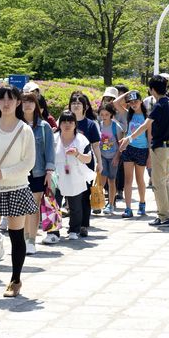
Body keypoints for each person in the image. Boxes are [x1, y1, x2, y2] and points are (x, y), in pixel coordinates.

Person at [0, 86, 36, 300]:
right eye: (2, 99)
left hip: (17, 188)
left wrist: (5, 173)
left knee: (16, 235)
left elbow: (29, 162)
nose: (6, 102)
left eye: (11, 99)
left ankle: (15, 279)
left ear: (18, 102)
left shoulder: (24, 129)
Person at [123, 75, 169, 227]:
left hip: (160, 148)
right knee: (165, 181)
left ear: (152, 90)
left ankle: (163, 216)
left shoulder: (159, 105)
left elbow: (145, 126)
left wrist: (129, 138)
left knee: (158, 182)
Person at [53, 110, 95, 240]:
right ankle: (53, 232)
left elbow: (88, 159)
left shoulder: (81, 139)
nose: (67, 124)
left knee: (76, 206)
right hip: (56, 174)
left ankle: (74, 230)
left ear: (75, 124)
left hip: (75, 174)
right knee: (54, 204)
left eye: (70, 121)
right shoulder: (53, 138)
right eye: (64, 121)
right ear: (59, 124)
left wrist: (77, 154)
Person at [22, 91, 55, 252]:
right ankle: (22, 238)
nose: (27, 105)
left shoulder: (44, 126)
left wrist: (49, 171)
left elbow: (49, 151)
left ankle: (31, 240)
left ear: (36, 105)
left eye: (31, 102)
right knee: (20, 207)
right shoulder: (15, 125)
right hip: (18, 172)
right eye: (24, 102)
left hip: (38, 171)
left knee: (33, 206)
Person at [68, 93, 102, 235]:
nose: (76, 105)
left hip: (86, 163)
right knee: (71, 194)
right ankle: (74, 223)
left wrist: (99, 162)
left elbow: (95, 146)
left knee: (84, 194)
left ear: (85, 107)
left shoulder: (90, 124)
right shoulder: (65, 121)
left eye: (79, 103)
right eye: (73, 103)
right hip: (69, 164)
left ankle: (83, 224)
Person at [114, 91, 150, 217]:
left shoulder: (147, 117)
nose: (133, 104)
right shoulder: (128, 114)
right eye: (131, 102)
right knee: (128, 180)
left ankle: (142, 203)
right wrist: (129, 93)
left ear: (141, 101)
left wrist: (150, 156)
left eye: (136, 101)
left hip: (142, 149)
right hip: (129, 148)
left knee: (140, 179)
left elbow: (150, 137)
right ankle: (128, 208)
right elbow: (115, 103)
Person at [96, 104, 123, 215]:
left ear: (111, 114)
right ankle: (98, 203)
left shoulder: (116, 126)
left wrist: (117, 157)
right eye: (102, 114)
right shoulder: (99, 126)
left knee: (112, 180)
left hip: (113, 157)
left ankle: (111, 204)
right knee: (101, 181)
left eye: (106, 114)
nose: (104, 116)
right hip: (102, 157)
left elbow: (121, 144)